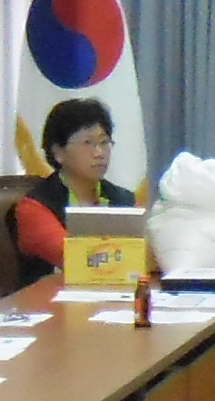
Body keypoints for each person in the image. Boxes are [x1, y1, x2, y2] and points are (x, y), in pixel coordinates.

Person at [12, 97, 135, 286]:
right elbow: (75, 259)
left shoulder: (123, 199)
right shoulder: (35, 207)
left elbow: (146, 256)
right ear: (58, 153)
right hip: (50, 299)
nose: (99, 153)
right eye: (87, 143)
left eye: (104, 142)